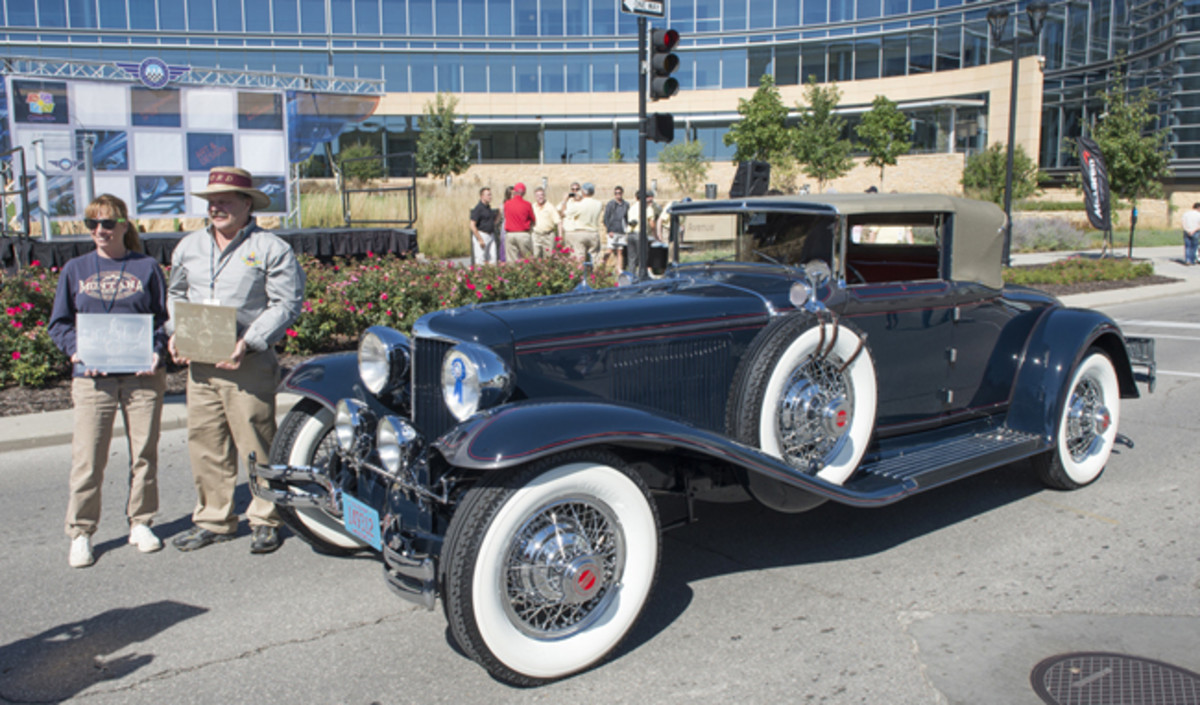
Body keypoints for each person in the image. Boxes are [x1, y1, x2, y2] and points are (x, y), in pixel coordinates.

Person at [167, 166, 305, 554]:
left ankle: (266, 517)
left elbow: (286, 304)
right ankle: (214, 518)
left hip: (248, 361)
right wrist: (175, 329)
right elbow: (176, 292)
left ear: (247, 204)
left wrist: (249, 340)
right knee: (205, 441)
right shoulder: (189, 247)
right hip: (202, 361)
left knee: (256, 440)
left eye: (225, 200)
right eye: (212, 201)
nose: (217, 207)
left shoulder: (270, 249)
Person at [48, 194, 169, 568]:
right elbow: (60, 323)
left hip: (141, 376)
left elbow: (163, 320)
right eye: (92, 224)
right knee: (88, 457)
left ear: (123, 225)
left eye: (107, 223)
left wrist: (156, 352)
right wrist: (76, 352)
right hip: (92, 378)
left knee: (144, 454)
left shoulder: (147, 267)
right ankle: (82, 531)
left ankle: (141, 522)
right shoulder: (76, 269)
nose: (100, 230)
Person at [562, 182, 603, 262]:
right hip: (594, 233)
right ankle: (596, 273)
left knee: (579, 258)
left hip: (581, 232)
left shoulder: (579, 205)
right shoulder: (599, 204)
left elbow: (564, 213)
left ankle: (580, 273)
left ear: (583, 192)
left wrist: (564, 201)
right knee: (595, 258)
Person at [503, 182, 535, 261]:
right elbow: (533, 219)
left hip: (510, 234)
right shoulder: (527, 204)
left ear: (514, 191)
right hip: (523, 234)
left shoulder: (507, 204)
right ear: (524, 193)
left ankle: (513, 273)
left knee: (511, 260)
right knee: (528, 259)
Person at [603, 185, 630, 271]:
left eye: (619, 193)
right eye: (616, 193)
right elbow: (606, 218)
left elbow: (627, 218)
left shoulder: (626, 205)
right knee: (610, 250)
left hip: (622, 231)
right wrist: (609, 230)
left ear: (622, 193)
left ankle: (619, 269)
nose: (617, 195)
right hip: (613, 231)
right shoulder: (611, 204)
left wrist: (627, 228)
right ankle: (601, 267)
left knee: (620, 251)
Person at [469, 187, 498, 264]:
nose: (490, 197)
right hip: (482, 234)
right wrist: (480, 239)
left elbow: (493, 222)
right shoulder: (478, 208)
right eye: (488, 195)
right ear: (482, 196)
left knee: (493, 258)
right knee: (480, 258)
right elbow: (472, 225)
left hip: (490, 234)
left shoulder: (488, 208)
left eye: (490, 195)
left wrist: (499, 214)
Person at [531, 186, 561, 258]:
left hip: (548, 235)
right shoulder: (532, 207)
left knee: (548, 257)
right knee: (535, 256)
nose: (540, 197)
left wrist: (560, 237)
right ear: (535, 197)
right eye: (538, 195)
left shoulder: (550, 207)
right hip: (536, 235)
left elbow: (559, 222)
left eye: (541, 195)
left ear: (544, 196)